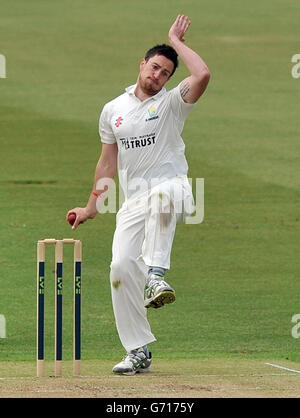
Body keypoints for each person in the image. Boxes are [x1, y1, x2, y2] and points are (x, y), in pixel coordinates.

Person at [67, 14, 210, 375]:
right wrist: (91, 207)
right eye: (155, 67)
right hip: (132, 202)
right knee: (119, 269)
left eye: (165, 73)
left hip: (171, 188)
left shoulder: (173, 103)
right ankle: (137, 349)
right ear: (142, 64)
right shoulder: (113, 110)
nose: (158, 76)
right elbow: (106, 163)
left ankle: (157, 274)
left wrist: (176, 43)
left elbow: (203, 75)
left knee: (163, 197)